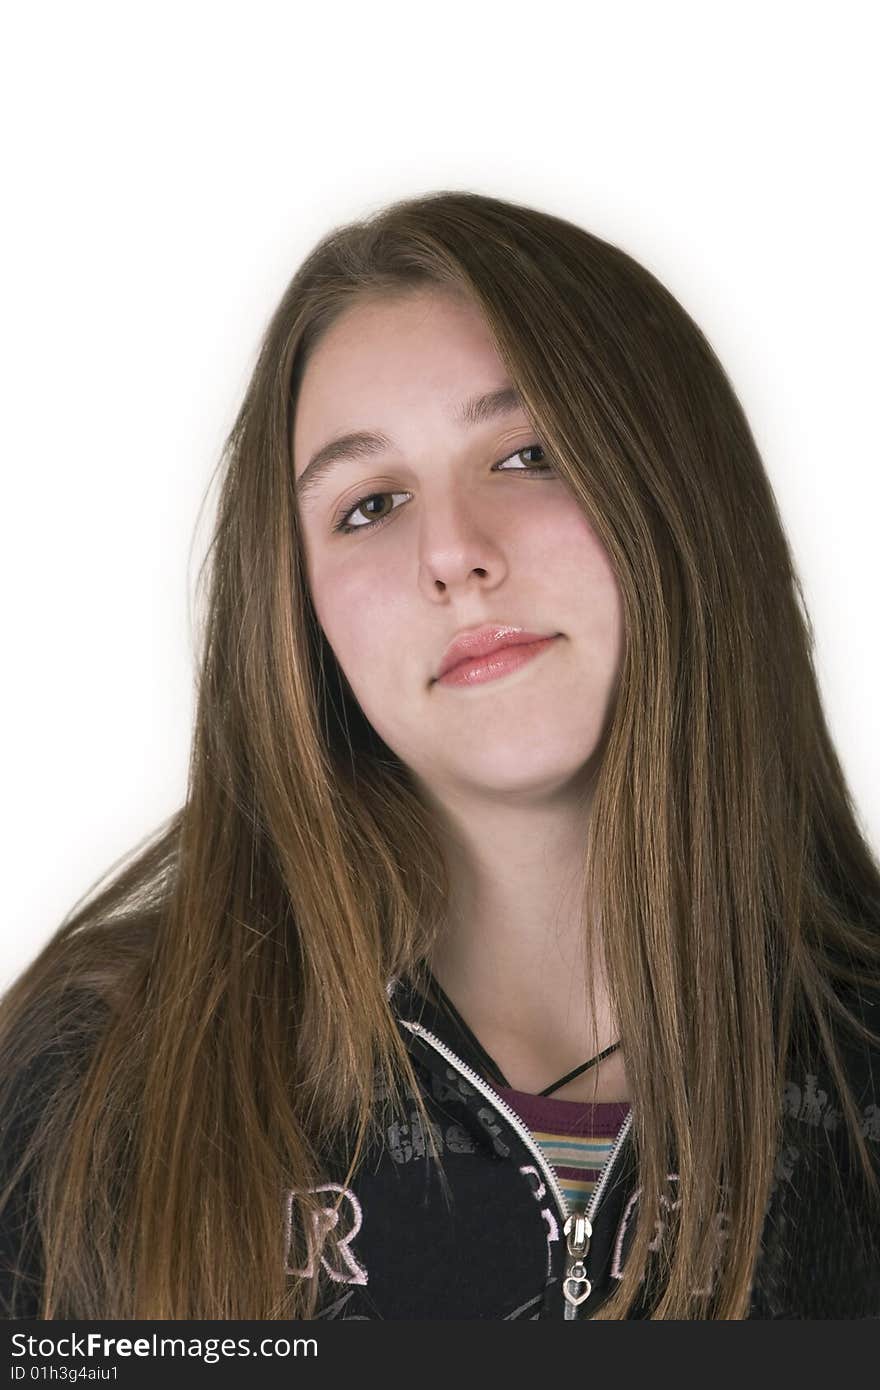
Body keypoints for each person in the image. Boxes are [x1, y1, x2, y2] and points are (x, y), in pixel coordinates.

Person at [1, 190, 879, 1321]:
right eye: (370, 506)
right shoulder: (92, 1084)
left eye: (526, 453)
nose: (455, 554)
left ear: (680, 494)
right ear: (300, 609)